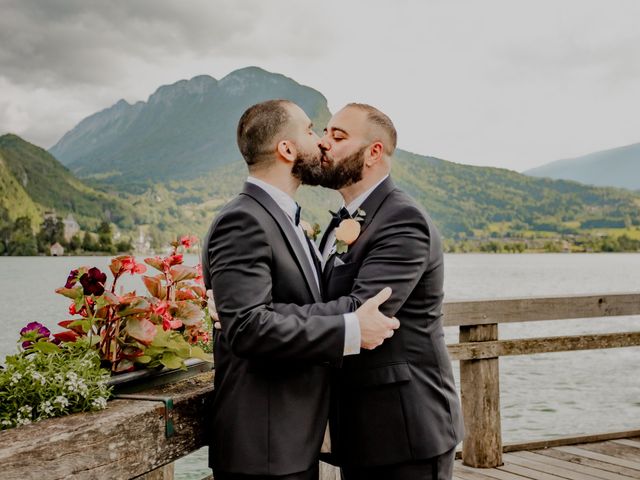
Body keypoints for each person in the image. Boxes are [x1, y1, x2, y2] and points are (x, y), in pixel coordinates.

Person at [202, 99, 399, 480]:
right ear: (287, 150)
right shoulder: (243, 219)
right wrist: (350, 328)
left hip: (291, 441)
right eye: (311, 131)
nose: (322, 142)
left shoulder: (285, 218)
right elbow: (246, 326)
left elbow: (265, 312)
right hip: (264, 446)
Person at [273, 103, 464, 479]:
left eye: (338, 136)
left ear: (374, 152)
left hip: (405, 428)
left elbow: (362, 311)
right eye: (325, 133)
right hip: (360, 428)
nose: (324, 144)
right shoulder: (341, 222)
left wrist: (265, 316)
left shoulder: (402, 220)